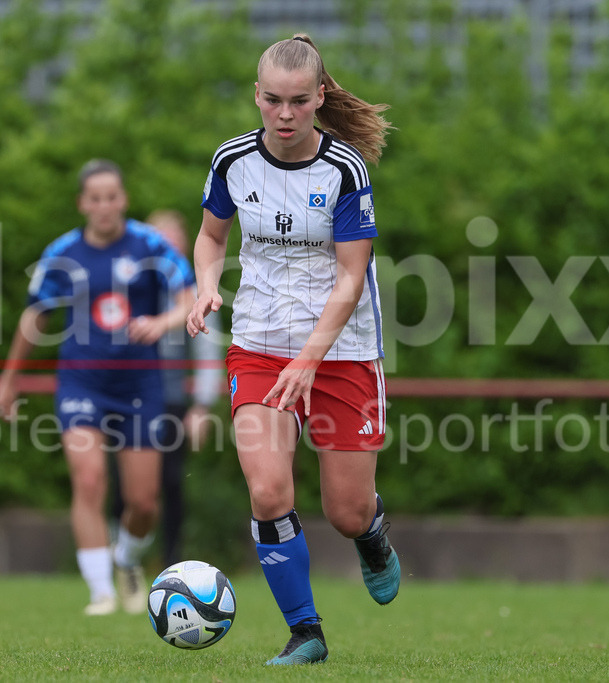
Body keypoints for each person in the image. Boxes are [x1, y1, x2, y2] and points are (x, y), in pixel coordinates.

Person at [186, 34, 399, 665]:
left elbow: (351, 279)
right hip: (257, 345)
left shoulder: (343, 170)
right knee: (269, 490)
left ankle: (372, 532)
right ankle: (305, 631)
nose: (284, 114)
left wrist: (309, 360)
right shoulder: (231, 162)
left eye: (299, 101)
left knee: (345, 510)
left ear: (319, 98)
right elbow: (209, 236)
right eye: (273, 100)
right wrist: (204, 288)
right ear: (257, 96)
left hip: (341, 352)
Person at [0, 160, 195, 615]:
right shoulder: (62, 253)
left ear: (123, 199)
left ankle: (125, 558)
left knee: (143, 502)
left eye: (112, 196)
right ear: (83, 203)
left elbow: (189, 295)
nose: (104, 206)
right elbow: (35, 317)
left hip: (140, 384)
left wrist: (161, 321)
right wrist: (9, 379)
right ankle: (101, 591)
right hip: (81, 381)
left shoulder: (149, 245)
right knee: (88, 480)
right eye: (95, 198)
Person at [110, 210, 223, 568]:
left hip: (172, 399)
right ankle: (123, 560)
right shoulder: (125, 284)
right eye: (160, 239)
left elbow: (208, 350)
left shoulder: (196, 289)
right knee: (121, 483)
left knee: (171, 482)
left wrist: (202, 406)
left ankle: (171, 560)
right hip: (126, 396)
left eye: (174, 239)